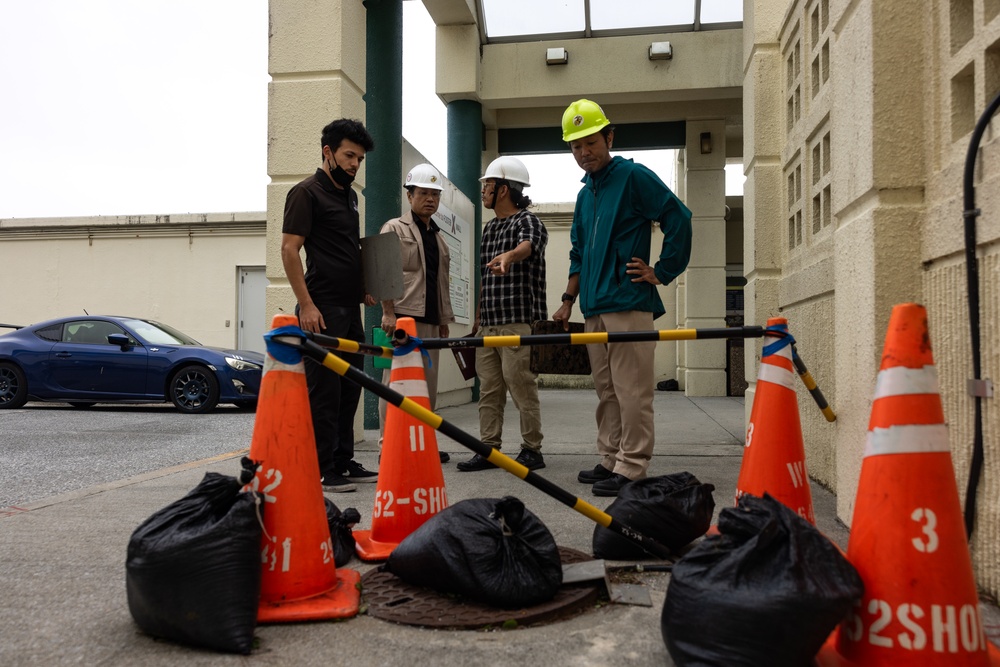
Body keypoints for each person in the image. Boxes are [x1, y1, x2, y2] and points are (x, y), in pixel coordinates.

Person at [552, 99, 692, 497]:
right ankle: (610, 457)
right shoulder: (585, 196)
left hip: (629, 303)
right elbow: (578, 252)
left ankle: (632, 466)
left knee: (632, 390)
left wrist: (661, 271)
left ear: (609, 137)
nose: (583, 152)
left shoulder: (632, 176)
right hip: (594, 306)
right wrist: (567, 299)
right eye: (575, 146)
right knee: (607, 390)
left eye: (590, 142)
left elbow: (677, 216)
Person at [281, 118, 378, 493]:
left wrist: (364, 286)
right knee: (324, 392)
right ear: (328, 153)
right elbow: (290, 250)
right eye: (349, 156)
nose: (355, 164)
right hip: (318, 308)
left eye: (360, 159)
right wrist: (306, 305)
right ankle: (321, 468)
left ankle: (341, 460)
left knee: (350, 387)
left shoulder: (350, 196)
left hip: (348, 309)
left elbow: (345, 251)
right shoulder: (306, 193)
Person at [457, 156, 548, 473]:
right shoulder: (490, 227)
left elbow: (528, 246)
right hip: (489, 326)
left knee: (522, 386)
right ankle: (489, 450)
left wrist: (509, 256)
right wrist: (478, 319)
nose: (483, 190)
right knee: (489, 391)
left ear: (504, 189)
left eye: (488, 185)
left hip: (519, 322)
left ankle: (532, 450)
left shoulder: (528, 221)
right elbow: (485, 278)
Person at [378, 163, 455, 464]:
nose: (430, 199)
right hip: (403, 320)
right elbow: (385, 272)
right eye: (423, 193)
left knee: (428, 388)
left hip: (432, 322)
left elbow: (442, 283)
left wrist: (444, 320)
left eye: (435, 194)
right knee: (394, 382)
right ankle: (388, 446)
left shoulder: (439, 238)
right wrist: (387, 313)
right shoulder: (395, 228)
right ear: (409, 196)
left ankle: (422, 444)